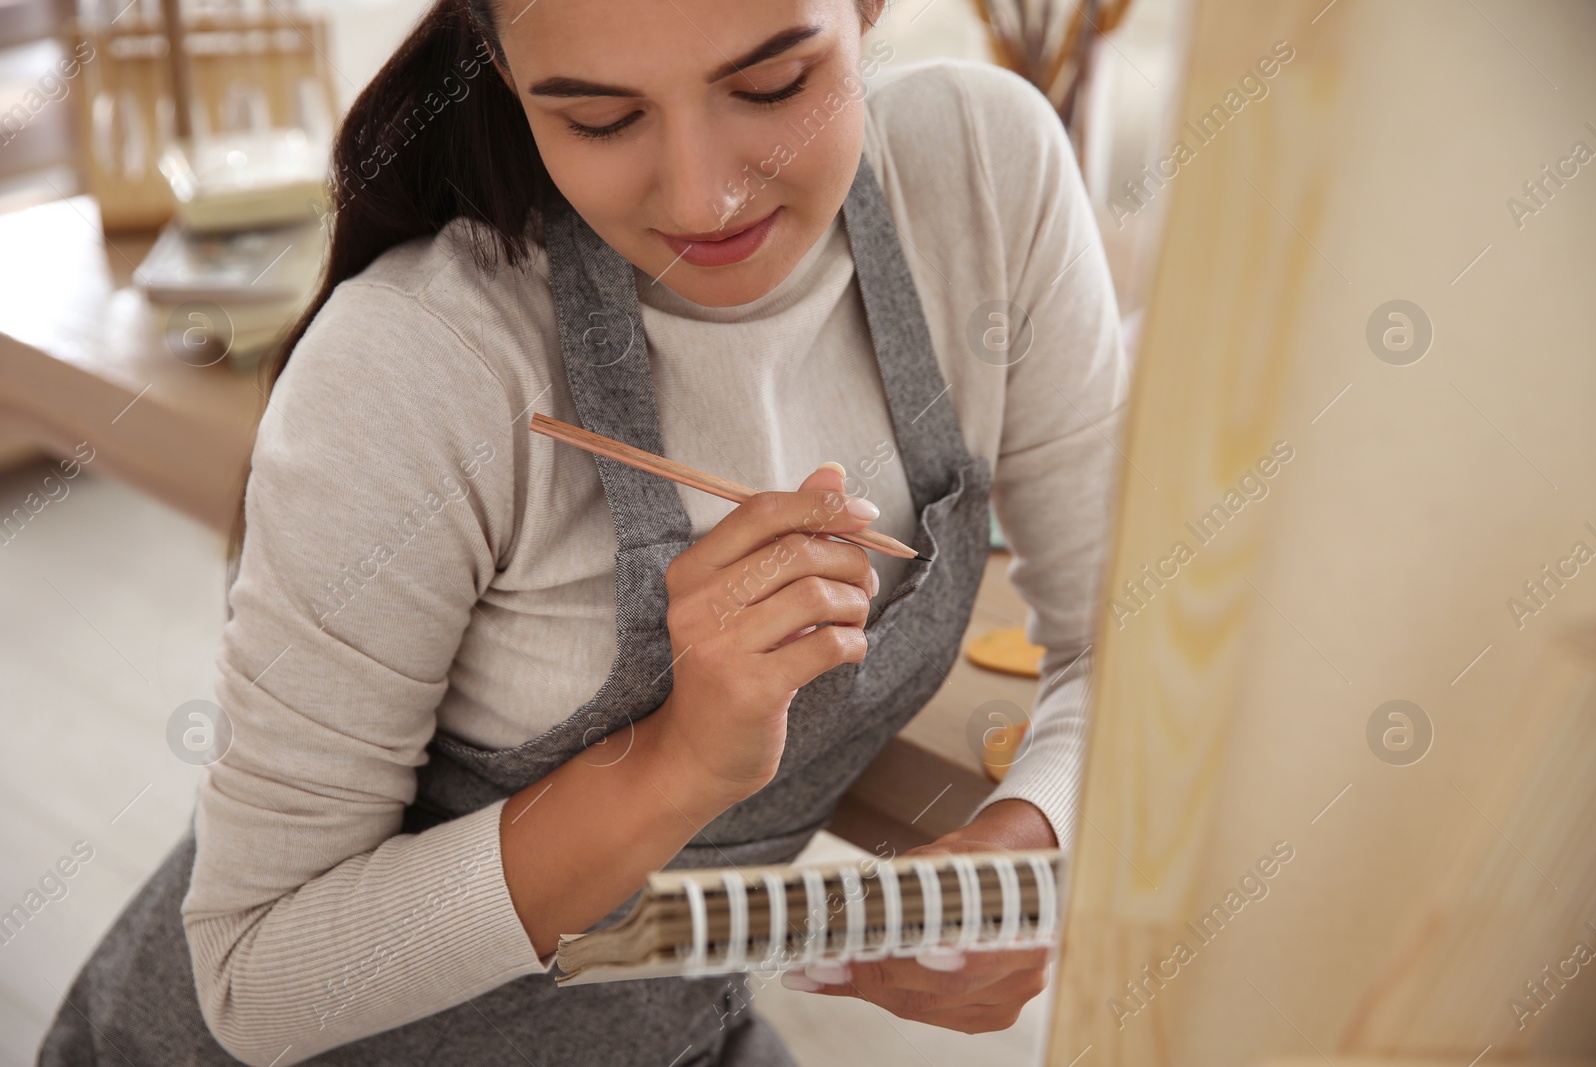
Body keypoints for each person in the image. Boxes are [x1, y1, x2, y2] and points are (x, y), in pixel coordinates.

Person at [38, 0, 1127, 1063]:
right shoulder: (422, 364)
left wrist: (1025, 853)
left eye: (771, 85)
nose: (705, 196)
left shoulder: (987, 178)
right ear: (505, 75)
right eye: (599, 119)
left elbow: (1129, 638)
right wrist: (673, 762)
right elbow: (255, 976)